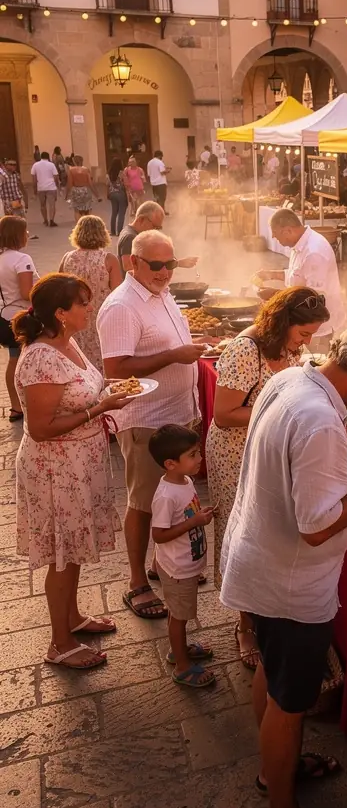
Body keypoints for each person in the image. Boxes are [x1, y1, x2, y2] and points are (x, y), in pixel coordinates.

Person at [220, 321, 347, 808]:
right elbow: (318, 525)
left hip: (261, 555)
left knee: (271, 671)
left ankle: (274, 769)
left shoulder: (292, 379)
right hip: (289, 578)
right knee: (289, 701)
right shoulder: (320, 419)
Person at [206, 286, 330, 670]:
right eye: (303, 333)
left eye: (311, 335)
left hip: (273, 451)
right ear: (282, 322)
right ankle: (244, 625)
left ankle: (270, 608)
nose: (307, 342)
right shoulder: (246, 349)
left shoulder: (291, 350)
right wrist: (281, 408)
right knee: (242, 532)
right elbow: (224, 414)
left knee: (270, 531)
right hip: (234, 453)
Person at [14, 273, 132, 669]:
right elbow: (40, 427)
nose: (89, 308)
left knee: (74, 546)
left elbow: (81, 389)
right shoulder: (40, 357)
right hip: (56, 469)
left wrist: (108, 394)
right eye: (82, 303)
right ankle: (59, 644)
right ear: (61, 313)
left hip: (81, 462)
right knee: (61, 556)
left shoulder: (69, 343)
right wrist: (99, 408)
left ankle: (73, 617)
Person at [98, 230, 206, 620]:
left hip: (177, 412)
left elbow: (168, 342)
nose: (164, 272)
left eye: (170, 264)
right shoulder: (121, 306)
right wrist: (175, 354)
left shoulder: (160, 293)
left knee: (171, 498)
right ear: (133, 263)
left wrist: (193, 344)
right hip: (146, 420)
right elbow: (116, 369)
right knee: (143, 503)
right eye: (156, 265)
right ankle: (136, 582)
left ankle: (164, 566)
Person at [149, 425, 215, 688]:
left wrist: (200, 516)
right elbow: (159, 534)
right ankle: (182, 666)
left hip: (186, 562)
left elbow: (187, 515)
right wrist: (194, 522)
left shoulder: (185, 481)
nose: (199, 458)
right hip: (177, 569)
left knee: (179, 613)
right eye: (192, 454)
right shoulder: (166, 495)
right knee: (179, 616)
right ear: (170, 463)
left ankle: (179, 649)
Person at [266, 209, 346, 342]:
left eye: (275, 234)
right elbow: (297, 275)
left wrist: (275, 296)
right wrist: (270, 274)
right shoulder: (300, 243)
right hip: (304, 323)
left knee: (316, 361)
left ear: (288, 231)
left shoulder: (314, 252)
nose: (274, 238)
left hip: (317, 328)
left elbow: (313, 297)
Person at [58, 215, 122, 373]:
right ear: (102, 234)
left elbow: (58, 290)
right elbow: (118, 295)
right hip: (101, 318)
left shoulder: (67, 258)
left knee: (77, 361)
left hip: (73, 318)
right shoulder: (108, 260)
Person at [0, 215, 38, 421]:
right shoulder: (22, 259)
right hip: (23, 317)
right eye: (25, 231)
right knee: (28, 361)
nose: (28, 235)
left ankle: (16, 406)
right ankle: (33, 402)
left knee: (13, 361)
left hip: (4, 316)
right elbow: (26, 293)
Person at [116, 201, 165, 275]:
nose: (154, 231)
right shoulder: (130, 237)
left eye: (158, 228)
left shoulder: (130, 231)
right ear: (141, 219)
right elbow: (128, 266)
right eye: (154, 226)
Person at [65, 155, 100, 222]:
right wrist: (97, 195)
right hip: (85, 190)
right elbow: (90, 183)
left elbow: (69, 183)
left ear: (74, 161)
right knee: (87, 208)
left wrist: (66, 195)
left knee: (77, 210)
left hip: (76, 190)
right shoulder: (86, 170)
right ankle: (88, 223)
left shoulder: (71, 170)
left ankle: (79, 225)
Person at [31, 151, 59, 227]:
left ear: (41, 156)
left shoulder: (35, 165)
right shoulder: (51, 165)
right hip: (51, 187)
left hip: (41, 187)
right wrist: (57, 185)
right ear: (48, 156)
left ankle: (45, 220)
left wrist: (35, 190)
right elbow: (56, 177)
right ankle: (51, 220)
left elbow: (34, 179)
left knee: (42, 205)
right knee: (52, 205)